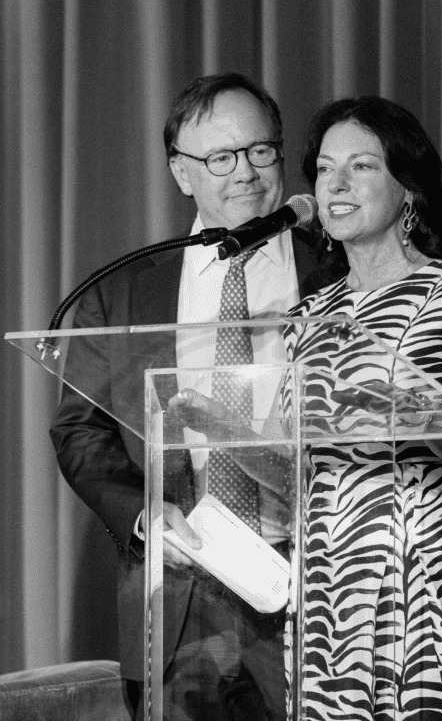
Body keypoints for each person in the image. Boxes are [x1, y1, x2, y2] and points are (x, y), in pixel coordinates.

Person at [50, 72, 320, 720]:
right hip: (180, 588)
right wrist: (145, 516)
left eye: (261, 151)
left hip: (314, 578)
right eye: (220, 158)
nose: (246, 174)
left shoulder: (335, 271)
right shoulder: (122, 291)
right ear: (181, 173)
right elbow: (81, 433)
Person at [282, 96, 442, 719]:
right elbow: (286, 459)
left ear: (408, 190)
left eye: (361, 166)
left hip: (426, 574)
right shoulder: (306, 316)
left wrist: (395, 401)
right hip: (326, 588)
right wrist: (213, 425)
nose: (335, 185)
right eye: (325, 169)